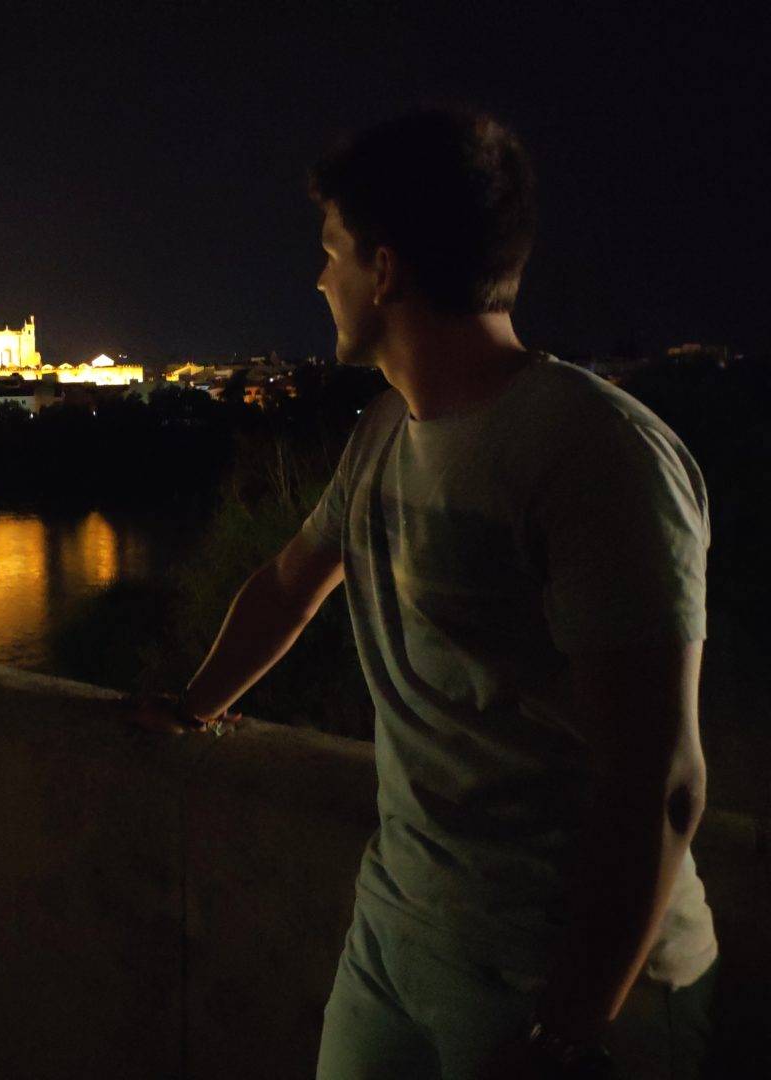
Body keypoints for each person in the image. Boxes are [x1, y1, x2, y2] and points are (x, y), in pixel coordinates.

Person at [137, 108, 716, 1079]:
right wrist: (191, 706)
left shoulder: (594, 455)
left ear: (387, 269)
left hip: (563, 982)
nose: (319, 279)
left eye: (332, 253)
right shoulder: (385, 436)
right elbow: (289, 584)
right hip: (399, 936)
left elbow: (660, 781)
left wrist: (572, 1027)